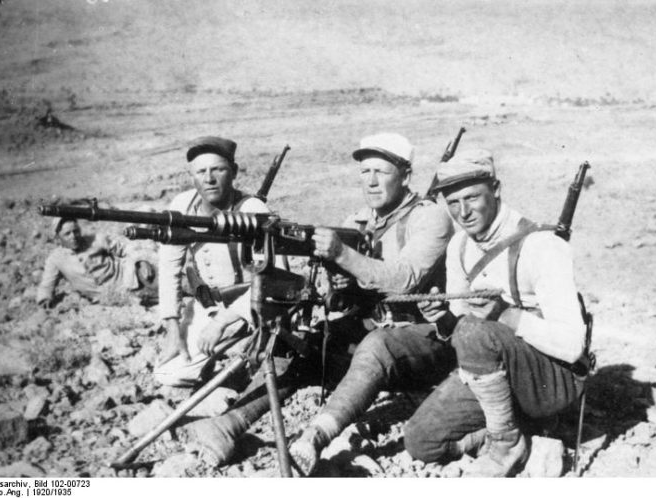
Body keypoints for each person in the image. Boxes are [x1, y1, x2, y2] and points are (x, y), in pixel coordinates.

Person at [402, 149, 588, 477]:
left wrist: (504, 314)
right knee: (421, 442)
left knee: (477, 331)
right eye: (453, 203)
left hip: (552, 379)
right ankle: (518, 432)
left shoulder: (542, 246)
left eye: (472, 198)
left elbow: (574, 346)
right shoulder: (459, 247)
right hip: (493, 374)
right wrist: (440, 317)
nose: (463, 212)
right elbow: (460, 328)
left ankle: (505, 441)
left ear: (497, 189)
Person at [288, 132, 454, 475]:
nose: (372, 181)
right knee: (307, 342)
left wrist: (341, 254)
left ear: (406, 176)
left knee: (377, 345)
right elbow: (347, 292)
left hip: (427, 338)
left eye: (382, 171)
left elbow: (403, 279)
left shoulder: (429, 217)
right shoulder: (359, 220)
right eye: (365, 172)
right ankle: (228, 424)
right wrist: (334, 281)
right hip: (374, 329)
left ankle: (315, 437)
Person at [155, 136, 271, 388]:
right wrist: (172, 326)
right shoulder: (183, 205)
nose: (208, 179)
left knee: (182, 372)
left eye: (218, 169)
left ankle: (236, 369)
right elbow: (168, 269)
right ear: (191, 175)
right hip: (205, 304)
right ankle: (223, 373)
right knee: (165, 373)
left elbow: (272, 279)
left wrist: (222, 321)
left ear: (234, 172)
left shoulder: (253, 209)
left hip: (245, 309)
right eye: (201, 171)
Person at [36, 217, 156, 308]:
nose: (73, 236)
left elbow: (125, 249)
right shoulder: (55, 259)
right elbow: (47, 283)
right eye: (67, 234)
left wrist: (141, 260)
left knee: (160, 289)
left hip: (130, 279)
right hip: (105, 298)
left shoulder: (96, 239)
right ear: (58, 237)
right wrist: (44, 298)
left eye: (76, 231)